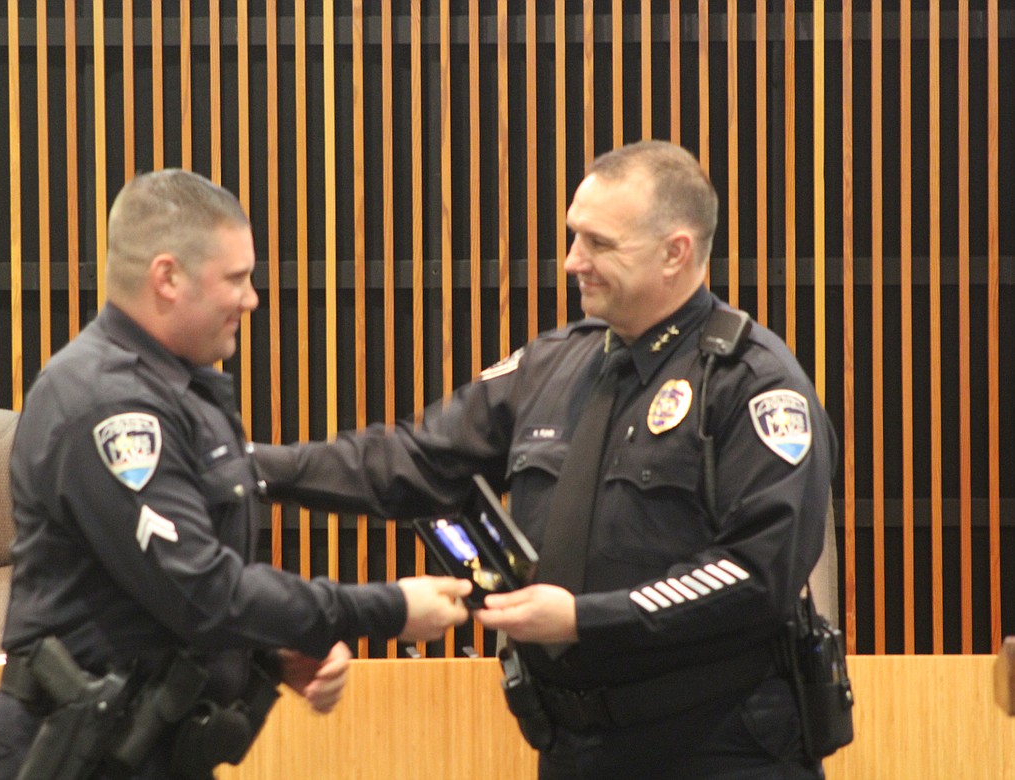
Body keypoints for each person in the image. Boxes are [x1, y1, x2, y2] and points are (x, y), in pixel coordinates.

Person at [255, 140, 838, 778]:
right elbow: (411, 458)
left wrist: (584, 619)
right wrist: (252, 466)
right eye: (573, 237)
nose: (572, 262)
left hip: (719, 747)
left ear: (676, 252)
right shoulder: (555, 364)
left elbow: (758, 572)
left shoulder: (752, 383)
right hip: (573, 747)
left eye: (598, 244)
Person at [0, 169, 472, 779]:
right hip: (74, 754)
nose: (252, 298)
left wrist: (268, 653)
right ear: (168, 277)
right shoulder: (113, 407)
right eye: (237, 279)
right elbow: (202, 594)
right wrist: (387, 607)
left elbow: (155, 597)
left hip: (143, 744)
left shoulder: (178, 389)